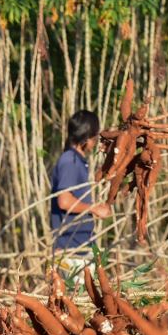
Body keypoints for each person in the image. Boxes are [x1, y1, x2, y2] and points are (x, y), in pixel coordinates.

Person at [50, 110, 111, 280]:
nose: (96, 141)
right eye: (95, 137)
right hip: (70, 250)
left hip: (81, 246)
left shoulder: (77, 161)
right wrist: (94, 208)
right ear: (87, 137)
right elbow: (64, 201)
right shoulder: (70, 161)